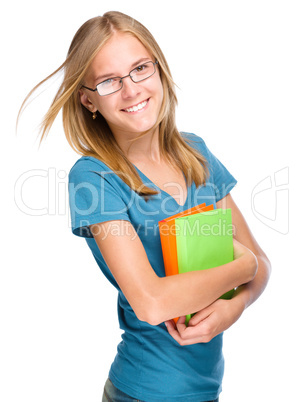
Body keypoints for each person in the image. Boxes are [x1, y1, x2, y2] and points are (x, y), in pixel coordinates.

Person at [19, 11, 271, 402]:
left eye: (140, 69)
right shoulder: (94, 178)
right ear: (88, 100)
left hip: (206, 392)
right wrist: (244, 267)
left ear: (159, 70)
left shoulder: (196, 154)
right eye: (109, 81)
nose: (132, 90)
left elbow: (264, 263)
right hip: (144, 393)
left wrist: (235, 306)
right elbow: (151, 303)